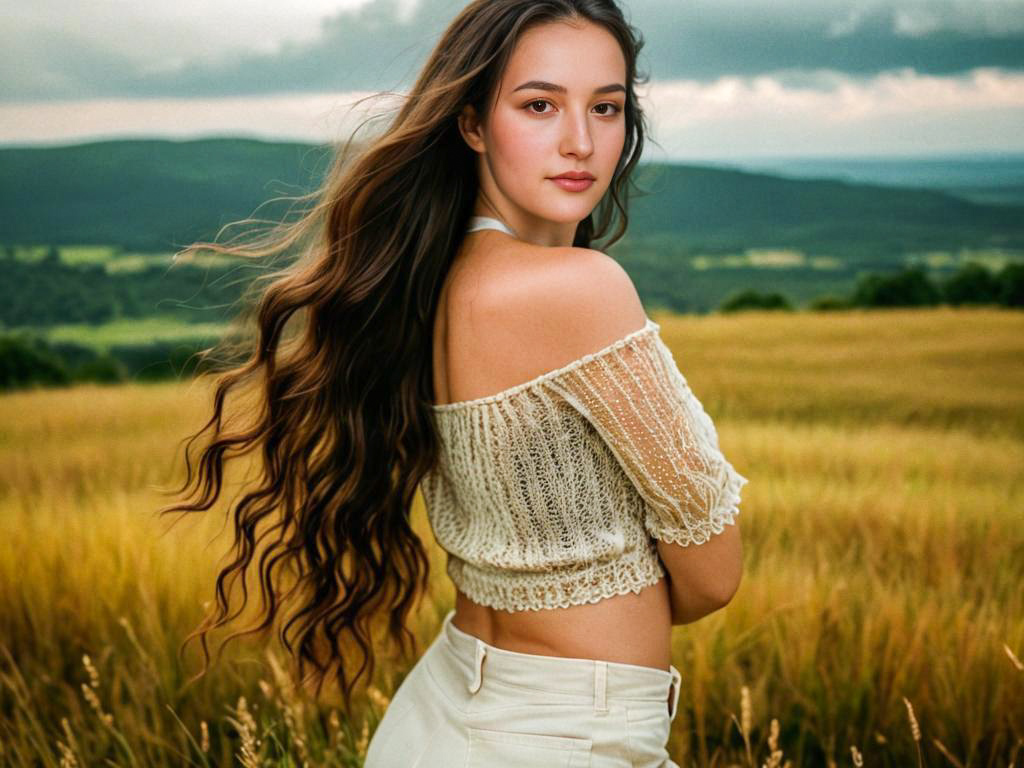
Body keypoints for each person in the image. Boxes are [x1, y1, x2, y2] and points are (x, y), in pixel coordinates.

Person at [161, 1, 748, 765]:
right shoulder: (579, 289)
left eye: (606, 107)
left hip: (442, 714)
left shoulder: (427, 277)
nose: (581, 142)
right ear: (471, 124)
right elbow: (713, 575)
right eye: (539, 105)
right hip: (564, 735)